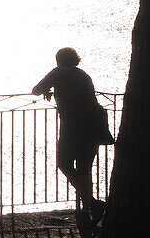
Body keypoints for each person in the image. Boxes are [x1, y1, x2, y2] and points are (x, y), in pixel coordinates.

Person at [32, 47, 114, 225]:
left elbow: (36, 90)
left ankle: (91, 203)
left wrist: (49, 90)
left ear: (58, 60)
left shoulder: (58, 73)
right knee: (85, 168)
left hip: (72, 127)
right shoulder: (83, 75)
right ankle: (90, 206)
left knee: (64, 163)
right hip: (92, 126)